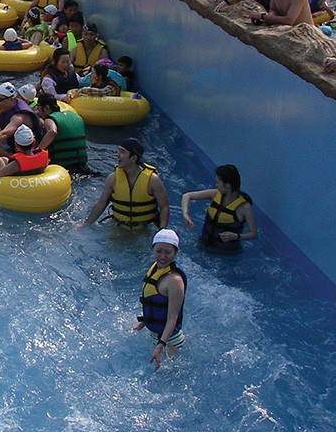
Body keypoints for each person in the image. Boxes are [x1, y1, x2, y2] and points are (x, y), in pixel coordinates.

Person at [82, 138, 169, 228]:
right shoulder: (112, 178)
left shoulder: (153, 180)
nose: (117, 155)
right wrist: (85, 224)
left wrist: (162, 230)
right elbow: (101, 204)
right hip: (119, 227)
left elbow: (164, 208)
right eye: (118, 150)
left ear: (133, 158)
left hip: (145, 228)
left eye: (122, 152)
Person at [134, 229, 186, 371]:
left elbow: (172, 317)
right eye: (158, 251)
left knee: (166, 378)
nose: (162, 256)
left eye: (168, 252)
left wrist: (161, 344)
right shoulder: (155, 269)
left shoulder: (174, 281)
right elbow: (153, 301)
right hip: (156, 336)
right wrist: (143, 322)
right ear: (153, 250)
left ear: (176, 252)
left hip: (170, 341)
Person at [181, 164, 257, 253]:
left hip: (227, 253)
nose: (216, 185)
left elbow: (253, 234)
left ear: (228, 185)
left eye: (218, 182)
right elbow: (187, 196)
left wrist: (236, 236)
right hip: (204, 243)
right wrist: (185, 214)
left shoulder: (244, 207)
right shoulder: (214, 194)